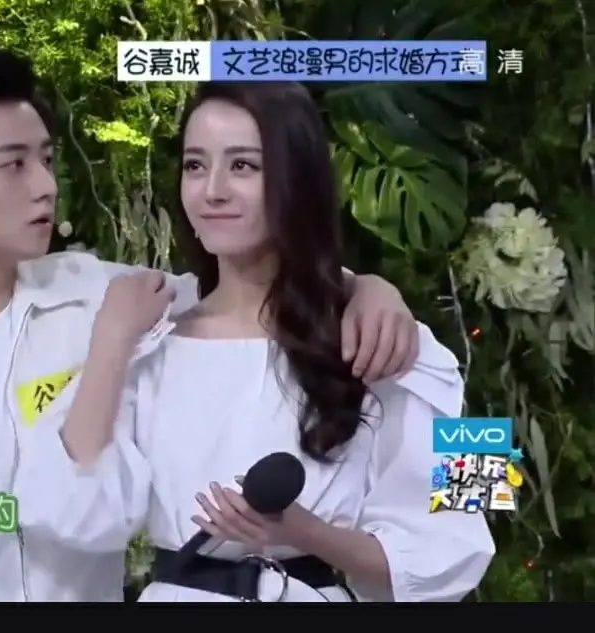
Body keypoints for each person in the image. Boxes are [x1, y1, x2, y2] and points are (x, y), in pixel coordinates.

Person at [0, 46, 422, 602]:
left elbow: (249, 293)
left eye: (46, 159)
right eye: (14, 164)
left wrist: (367, 289)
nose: (45, 185)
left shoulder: (103, 298)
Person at [28, 82, 495, 602]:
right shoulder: (148, 333)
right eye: (195, 165)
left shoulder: (405, 343)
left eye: (243, 166)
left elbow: (468, 541)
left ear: (299, 179)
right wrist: (112, 339)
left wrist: (307, 532)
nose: (213, 190)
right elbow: (63, 512)